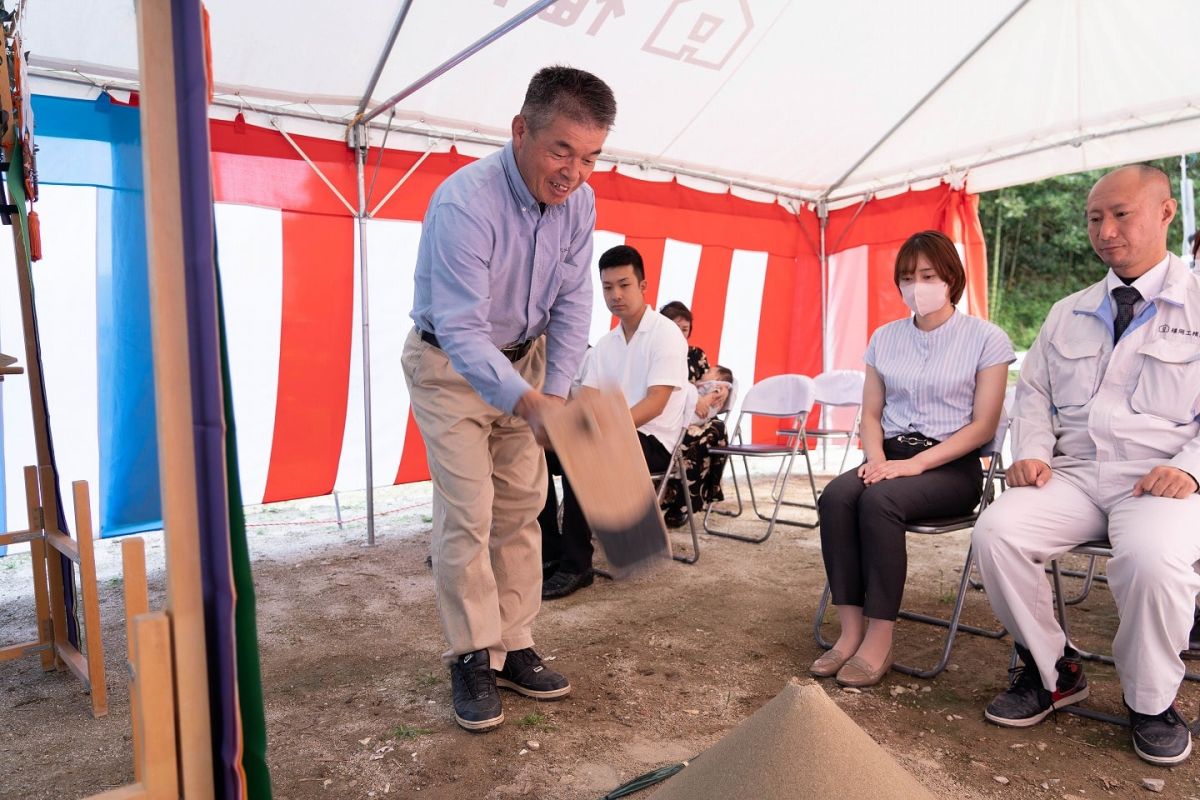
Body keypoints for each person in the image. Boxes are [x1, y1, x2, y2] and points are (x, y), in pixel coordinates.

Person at [402, 66, 615, 732]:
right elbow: (462, 330)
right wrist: (530, 405)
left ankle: (514, 643)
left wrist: (552, 391)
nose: (573, 172)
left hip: (528, 367)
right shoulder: (465, 202)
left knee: (524, 509)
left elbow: (575, 301)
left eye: (589, 157)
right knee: (469, 512)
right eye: (561, 150)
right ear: (521, 130)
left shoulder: (580, 205)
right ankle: (471, 653)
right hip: (449, 368)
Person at [972, 165, 1200, 765]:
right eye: (1095, 217)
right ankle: (1053, 670)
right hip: (1072, 475)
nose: (1105, 230)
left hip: (1160, 480)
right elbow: (1035, 396)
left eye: (1120, 214)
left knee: (1153, 560)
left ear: (1166, 213)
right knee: (996, 532)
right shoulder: (1067, 310)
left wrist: (1191, 467)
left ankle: (1151, 701)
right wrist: (1032, 454)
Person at [811, 230, 1013, 688]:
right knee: (836, 498)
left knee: (879, 503)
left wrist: (911, 467)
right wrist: (878, 458)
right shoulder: (885, 338)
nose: (916, 285)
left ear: (950, 278)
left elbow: (982, 426)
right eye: (907, 276)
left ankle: (880, 638)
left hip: (951, 465)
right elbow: (870, 412)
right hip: (891, 455)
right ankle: (849, 632)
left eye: (926, 275)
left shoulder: (987, 338)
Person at [542, 245, 688, 598]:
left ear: (644, 285)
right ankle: (550, 552)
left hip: (653, 442)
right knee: (538, 451)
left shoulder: (665, 333)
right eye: (608, 287)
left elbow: (656, 402)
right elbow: (588, 401)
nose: (616, 295)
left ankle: (578, 566)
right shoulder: (605, 345)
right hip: (615, 434)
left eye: (624, 285)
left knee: (589, 447)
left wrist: (606, 428)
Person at [662, 364, 734, 527]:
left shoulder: (716, 386)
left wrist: (721, 388)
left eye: (709, 372)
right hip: (675, 420)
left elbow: (719, 395)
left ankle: (682, 503)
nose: (704, 372)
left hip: (692, 419)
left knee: (714, 431)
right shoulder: (694, 383)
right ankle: (679, 503)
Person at [660, 301, 710, 381]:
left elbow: (708, 383)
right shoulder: (652, 350)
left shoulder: (697, 354)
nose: (680, 333)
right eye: (676, 327)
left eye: (685, 329)